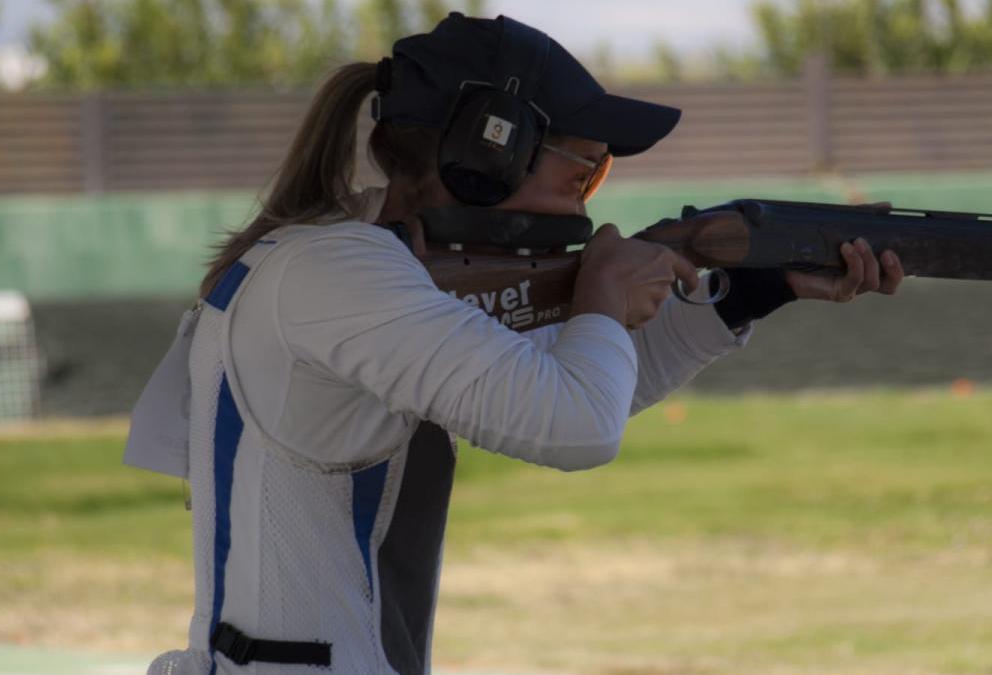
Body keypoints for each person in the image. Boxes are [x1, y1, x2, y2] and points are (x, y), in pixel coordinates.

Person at [127, 12, 904, 675]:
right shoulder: (340, 273)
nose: (591, 188)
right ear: (487, 148)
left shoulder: (345, 258)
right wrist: (600, 290)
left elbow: (580, 386)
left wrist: (760, 284)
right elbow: (575, 424)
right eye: (585, 168)